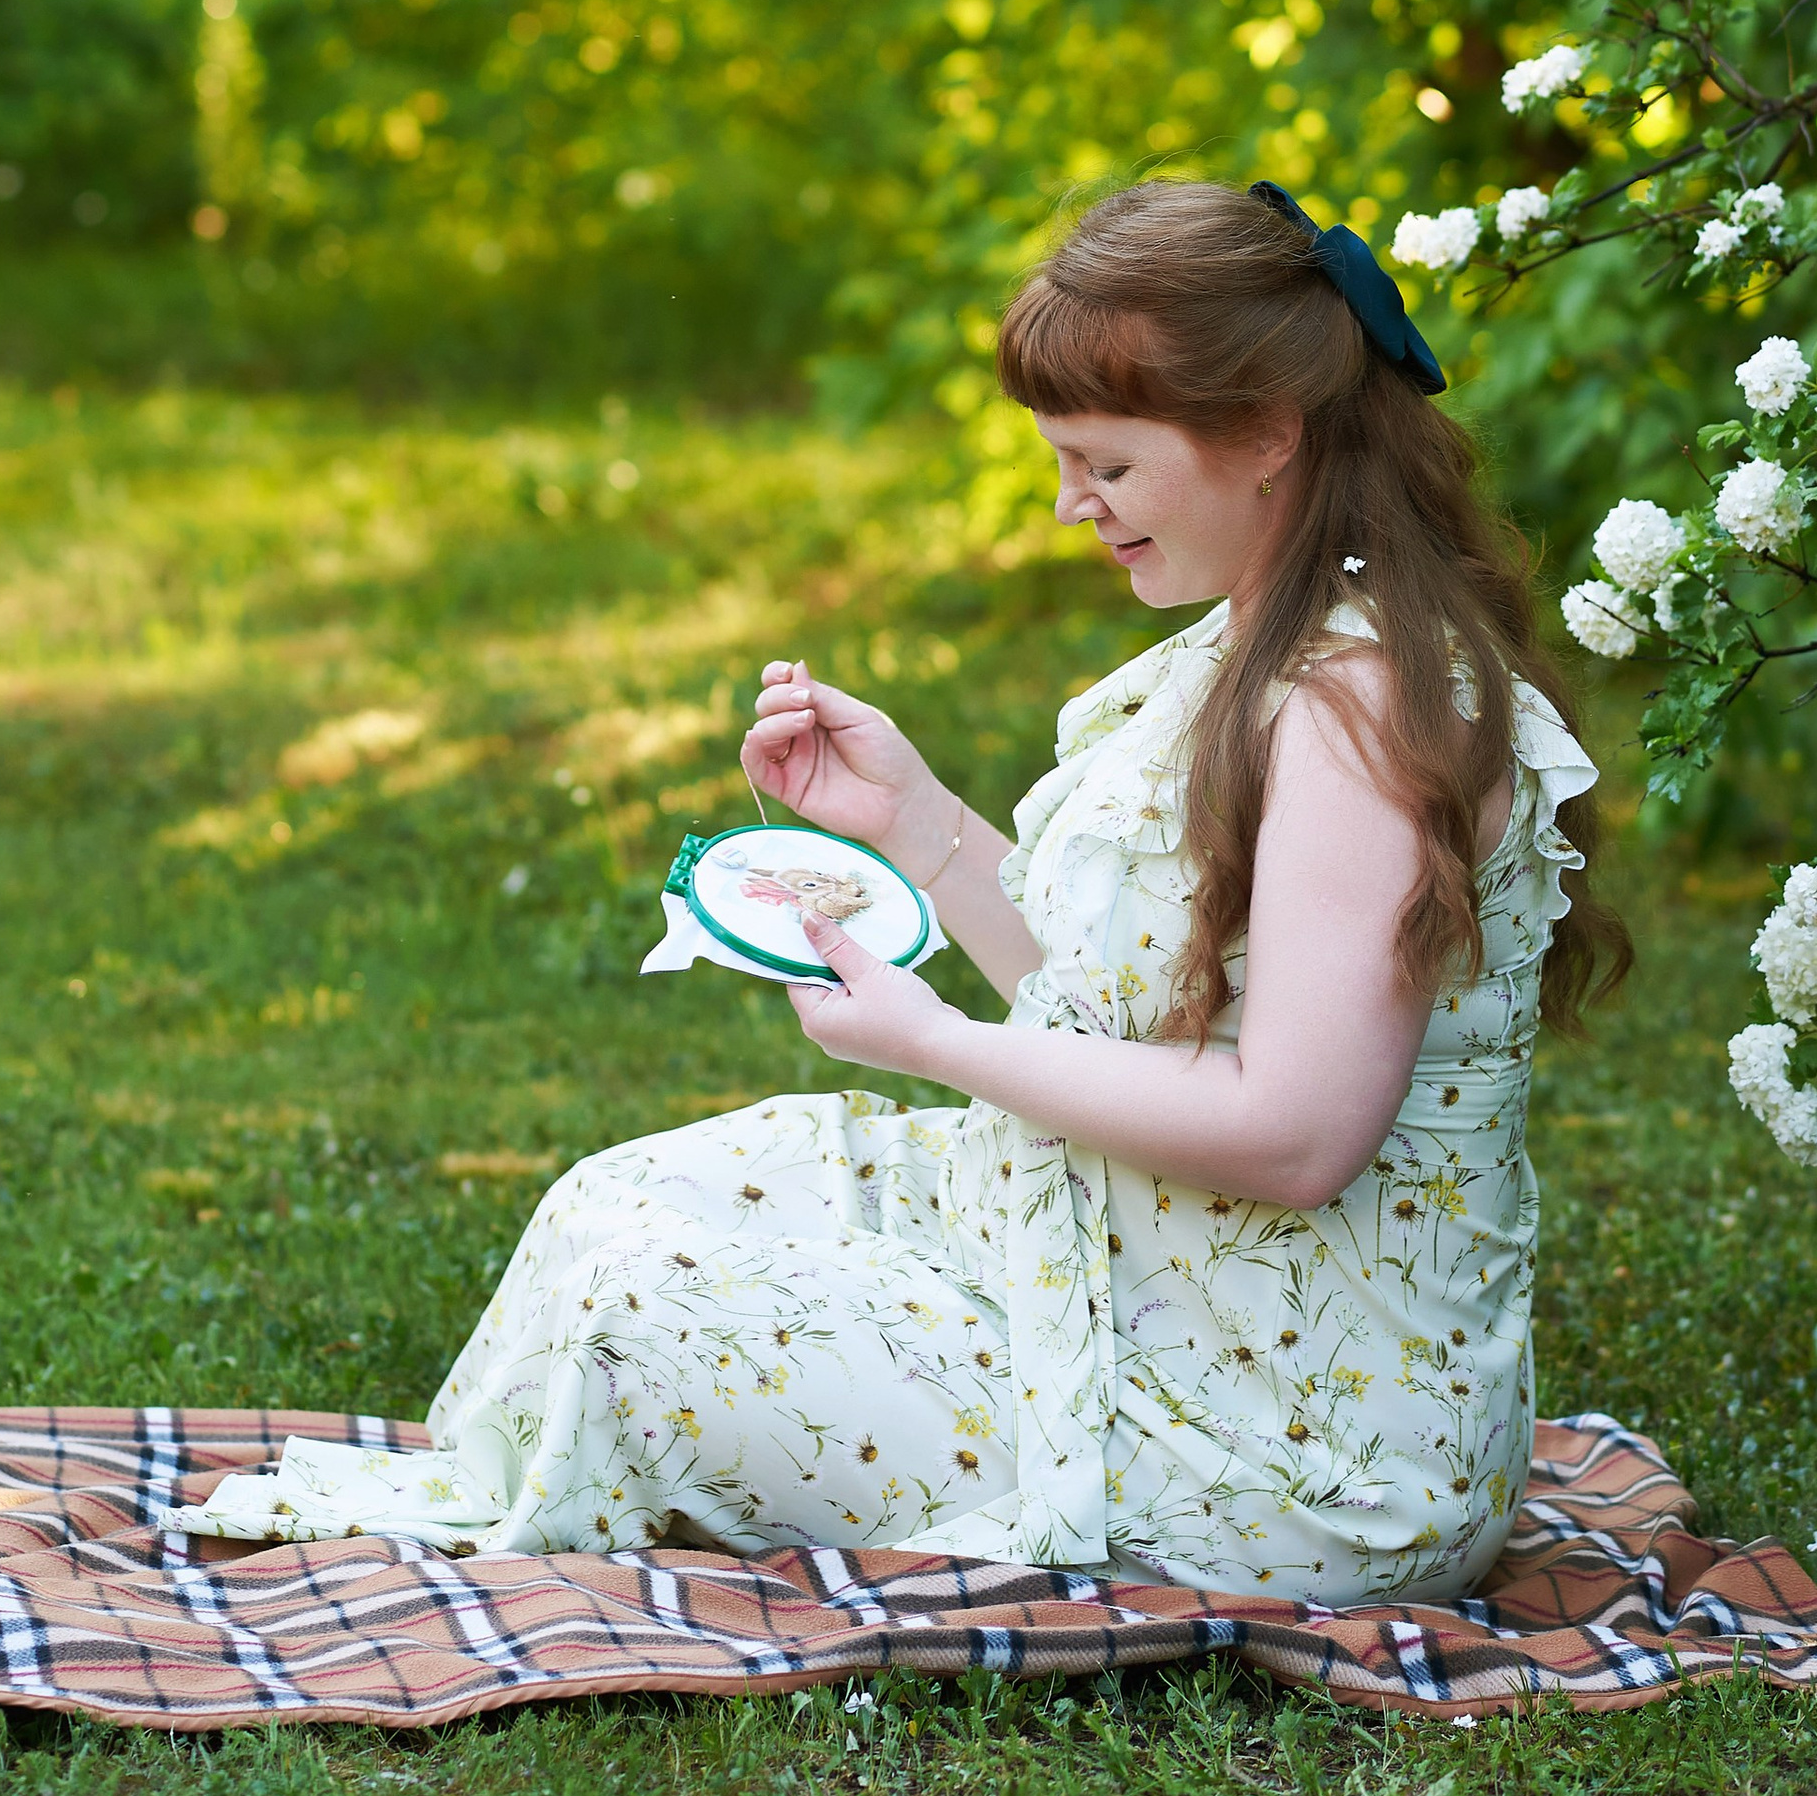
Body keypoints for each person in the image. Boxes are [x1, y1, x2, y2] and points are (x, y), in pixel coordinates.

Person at [170, 180, 1626, 1597]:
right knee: (618, 1203)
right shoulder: (1265, 646)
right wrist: (915, 820)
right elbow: (1136, 996)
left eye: (1106, 465)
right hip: (1141, 1266)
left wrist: (934, 1042)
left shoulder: (1358, 711)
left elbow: (1297, 1135)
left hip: (1285, 1439)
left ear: (1265, 434)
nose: (1072, 507)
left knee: (635, 1320)